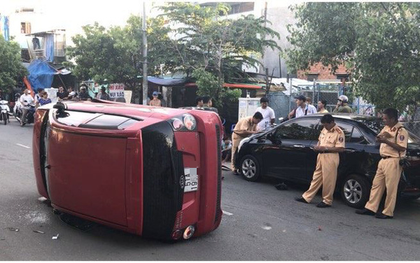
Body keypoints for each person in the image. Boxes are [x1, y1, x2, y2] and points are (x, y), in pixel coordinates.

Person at [356, 108, 408, 219]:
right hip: (383, 160)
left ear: (392, 118)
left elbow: (402, 147)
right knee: (376, 185)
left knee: (391, 188)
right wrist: (380, 138)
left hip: (393, 160)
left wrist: (386, 141)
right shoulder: (386, 128)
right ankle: (371, 208)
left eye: (385, 118)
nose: (383, 120)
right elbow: (378, 138)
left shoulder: (401, 131)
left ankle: (388, 212)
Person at [295, 114, 345, 207]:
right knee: (316, 177)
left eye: (326, 125)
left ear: (332, 122)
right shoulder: (324, 129)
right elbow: (320, 140)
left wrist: (325, 148)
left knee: (328, 180)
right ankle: (307, 197)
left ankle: (327, 200)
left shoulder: (339, 132)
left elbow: (341, 149)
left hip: (331, 157)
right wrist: (317, 147)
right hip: (321, 156)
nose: (325, 127)